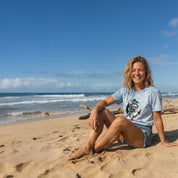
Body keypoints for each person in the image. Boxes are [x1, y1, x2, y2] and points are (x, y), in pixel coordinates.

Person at [67, 56, 178, 160]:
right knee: (102, 111)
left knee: (120, 120)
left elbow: (157, 118)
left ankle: (93, 149)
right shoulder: (126, 91)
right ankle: (88, 145)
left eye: (141, 70)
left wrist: (163, 142)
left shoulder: (152, 92)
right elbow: (105, 101)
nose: (137, 73)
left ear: (146, 72)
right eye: (134, 70)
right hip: (123, 133)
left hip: (141, 136)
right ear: (130, 73)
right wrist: (95, 110)